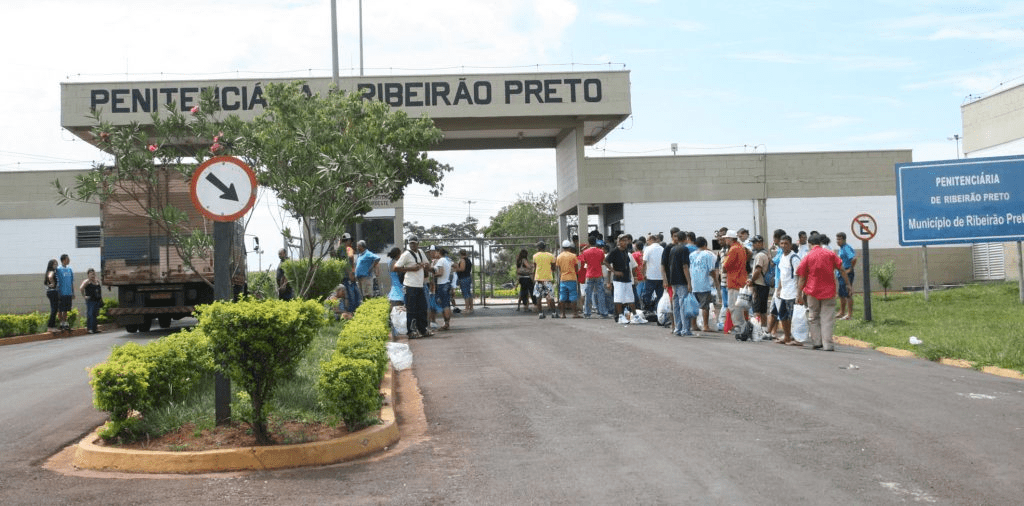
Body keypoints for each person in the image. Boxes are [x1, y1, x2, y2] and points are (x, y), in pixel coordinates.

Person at [797, 233, 851, 351]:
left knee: (813, 317)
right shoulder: (830, 254)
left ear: (810, 244)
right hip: (829, 291)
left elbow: (801, 277)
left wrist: (799, 294)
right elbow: (841, 269)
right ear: (820, 243)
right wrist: (848, 284)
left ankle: (817, 342)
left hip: (812, 291)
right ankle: (828, 344)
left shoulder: (808, 256)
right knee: (827, 318)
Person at [393, 235, 432, 338]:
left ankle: (422, 329)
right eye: (411, 243)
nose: (412, 245)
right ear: (409, 244)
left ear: (418, 243)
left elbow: (427, 264)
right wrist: (411, 268)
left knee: (422, 308)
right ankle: (411, 331)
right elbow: (396, 267)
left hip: (419, 285)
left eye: (414, 243)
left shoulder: (420, 252)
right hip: (410, 285)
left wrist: (426, 266)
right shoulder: (406, 254)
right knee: (411, 309)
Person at [774, 235, 803, 346]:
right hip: (784, 293)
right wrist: (779, 289)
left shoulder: (794, 258)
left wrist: (799, 294)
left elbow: (800, 276)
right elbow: (782, 275)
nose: (784, 246)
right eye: (782, 243)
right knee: (783, 315)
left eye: (786, 243)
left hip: (793, 293)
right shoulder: (782, 257)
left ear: (790, 245)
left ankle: (796, 339)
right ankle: (786, 337)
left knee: (793, 317)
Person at [721, 231, 749, 336]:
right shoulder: (741, 248)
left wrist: (723, 268)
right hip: (740, 281)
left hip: (734, 281)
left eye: (726, 238)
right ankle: (742, 326)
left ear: (730, 239)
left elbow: (725, 266)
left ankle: (740, 327)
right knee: (740, 307)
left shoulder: (733, 249)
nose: (725, 240)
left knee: (733, 307)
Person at [689, 237, 718, 334]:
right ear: (705, 244)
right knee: (705, 306)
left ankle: (694, 325)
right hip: (704, 283)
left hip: (694, 283)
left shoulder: (692, 255)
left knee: (694, 305)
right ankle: (705, 326)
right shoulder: (707, 255)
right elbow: (711, 270)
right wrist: (715, 280)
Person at [605, 235, 637, 322]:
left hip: (627, 279)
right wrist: (614, 271)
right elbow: (606, 262)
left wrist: (632, 276)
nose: (626, 242)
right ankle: (620, 316)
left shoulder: (626, 251)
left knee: (630, 298)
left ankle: (635, 316)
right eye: (624, 241)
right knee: (618, 298)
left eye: (627, 241)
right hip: (618, 280)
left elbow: (629, 264)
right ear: (619, 242)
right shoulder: (615, 251)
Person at [668, 231, 693, 336]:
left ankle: (678, 328)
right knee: (683, 305)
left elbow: (669, 265)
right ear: (686, 238)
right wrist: (689, 282)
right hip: (682, 280)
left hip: (673, 280)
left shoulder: (673, 249)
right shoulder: (685, 249)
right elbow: (685, 266)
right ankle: (685, 329)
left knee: (676, 305)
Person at [579, 235, 609, 318]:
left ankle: (587, 313)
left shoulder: (585, 252)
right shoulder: (600, 251)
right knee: (601, 294)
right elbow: (602, 262)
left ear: (588, 243)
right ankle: (603, 312)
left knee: (588, 294)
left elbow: (585, 261)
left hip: (589, 275)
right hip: (599, 275)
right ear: (596, 242)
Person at [747, 235, 770, 331]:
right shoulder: (766, 253)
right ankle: (764, 328)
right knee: (763, 309)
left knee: (756, 309)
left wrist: (751, 281)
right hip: (764, 285)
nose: (753, 245)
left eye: (754, 243)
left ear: (760, 243)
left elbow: (757, 270)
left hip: (759, 284)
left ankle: (757, 329)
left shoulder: (760, 255)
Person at [555, 240, 581, 318]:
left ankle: (562, 314)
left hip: (563, 278)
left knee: (562, 297)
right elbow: (576, 268)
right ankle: (574, 314)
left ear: (563, 248)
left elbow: (559, 268)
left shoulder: (559, 256)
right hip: (572, 278)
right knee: (573, 296)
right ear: (569, 247)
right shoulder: (573, 256)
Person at [835, 232, 857, 320]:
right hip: (841, 274)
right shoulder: (841, 249)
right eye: (837, 239)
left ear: (844, 239)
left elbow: (854, 258)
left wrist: (850, 269)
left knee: (848, 294)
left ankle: (849, 314)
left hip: (847, 274)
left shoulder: (846, 248)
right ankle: (842, 312)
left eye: (839, 239)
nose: (838, 241)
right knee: (841, 294)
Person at [430, 247, 453, 331]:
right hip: (446, 283)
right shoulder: (447, 260)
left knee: (445, 305)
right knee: (446, 304)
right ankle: (447, 323)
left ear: (439, 252)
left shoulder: (441, 260)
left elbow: (440, 273)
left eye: (435, 252)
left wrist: (432, 275)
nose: (434, 254)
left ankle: (446, 324)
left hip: (442, 284)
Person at [533, 241, 557, 318]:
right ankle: (554, 313)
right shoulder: (551, 256)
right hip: (547, 279)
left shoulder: (535, 256)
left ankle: (540, 314)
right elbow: (553, 267)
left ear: (539, 248)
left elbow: (535, 267)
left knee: (538, 297)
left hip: (538, 279)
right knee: (550, 297)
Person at [641, 234, 664, 311]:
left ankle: (648, 310)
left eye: (647, 240)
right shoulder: (662, 249)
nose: (647, 242)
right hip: (661, 277)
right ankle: (658, 310)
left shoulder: (648, 249)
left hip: (650, 276)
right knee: (660, 295)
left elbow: (644, 263)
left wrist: (643, 274)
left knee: (647, 294)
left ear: (651, 239)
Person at [79, 267, 103, 334]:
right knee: (90, 314)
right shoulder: (87, 281)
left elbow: (99, 291)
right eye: (91, 274)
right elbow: (81, 288)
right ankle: (90, 329)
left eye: (93, 274)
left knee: (96, 314)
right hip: (90, 300)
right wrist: (84, 296)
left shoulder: (97, 281)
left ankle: (95, 328)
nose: (92, 275)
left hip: (97, 299)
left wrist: (101, 299)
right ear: (88, 275)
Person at [55, 254, 74, 331]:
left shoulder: (70, 269)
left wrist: (72, 292)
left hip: (68, 292)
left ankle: (65, 322)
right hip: (61, 292)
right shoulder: (58, 269)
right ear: (63, 260)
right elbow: (57, 281)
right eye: (67, 259)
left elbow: (72, 281)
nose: (69, 260)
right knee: (60, 309)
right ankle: (61, 323)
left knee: (66, 309)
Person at [455, 249, 474, 313]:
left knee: (465, 293)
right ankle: (471, 307)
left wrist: (456, 268)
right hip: (468, 277)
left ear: (460, 254)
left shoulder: (462, 260)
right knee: (469, 293)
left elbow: (462, 269)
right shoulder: (468, 260)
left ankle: (467, 308)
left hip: (463, 278)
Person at [44, 259, 59, 330]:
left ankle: (52, 325)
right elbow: (50, 277)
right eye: (55, 264)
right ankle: (50, 326)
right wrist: (52, 283)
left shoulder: (49, 271)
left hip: (51, 292)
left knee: (55, 309)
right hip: (52, 291)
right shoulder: (51, 271)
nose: (56, 266)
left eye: (56, 264)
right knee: (54, 309)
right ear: (51, 265)